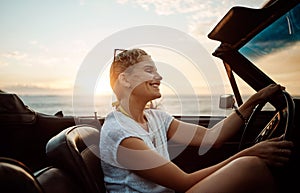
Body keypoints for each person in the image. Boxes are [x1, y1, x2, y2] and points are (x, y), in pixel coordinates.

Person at [99, 48, 293, 193]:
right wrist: (248, 153)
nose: (159, 76)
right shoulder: (121, 133)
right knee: (250, 166)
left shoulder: (155, 117)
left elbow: (211, 138)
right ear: (125, 80)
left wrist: (253, 101)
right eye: (149, 70)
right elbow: (183, 182)